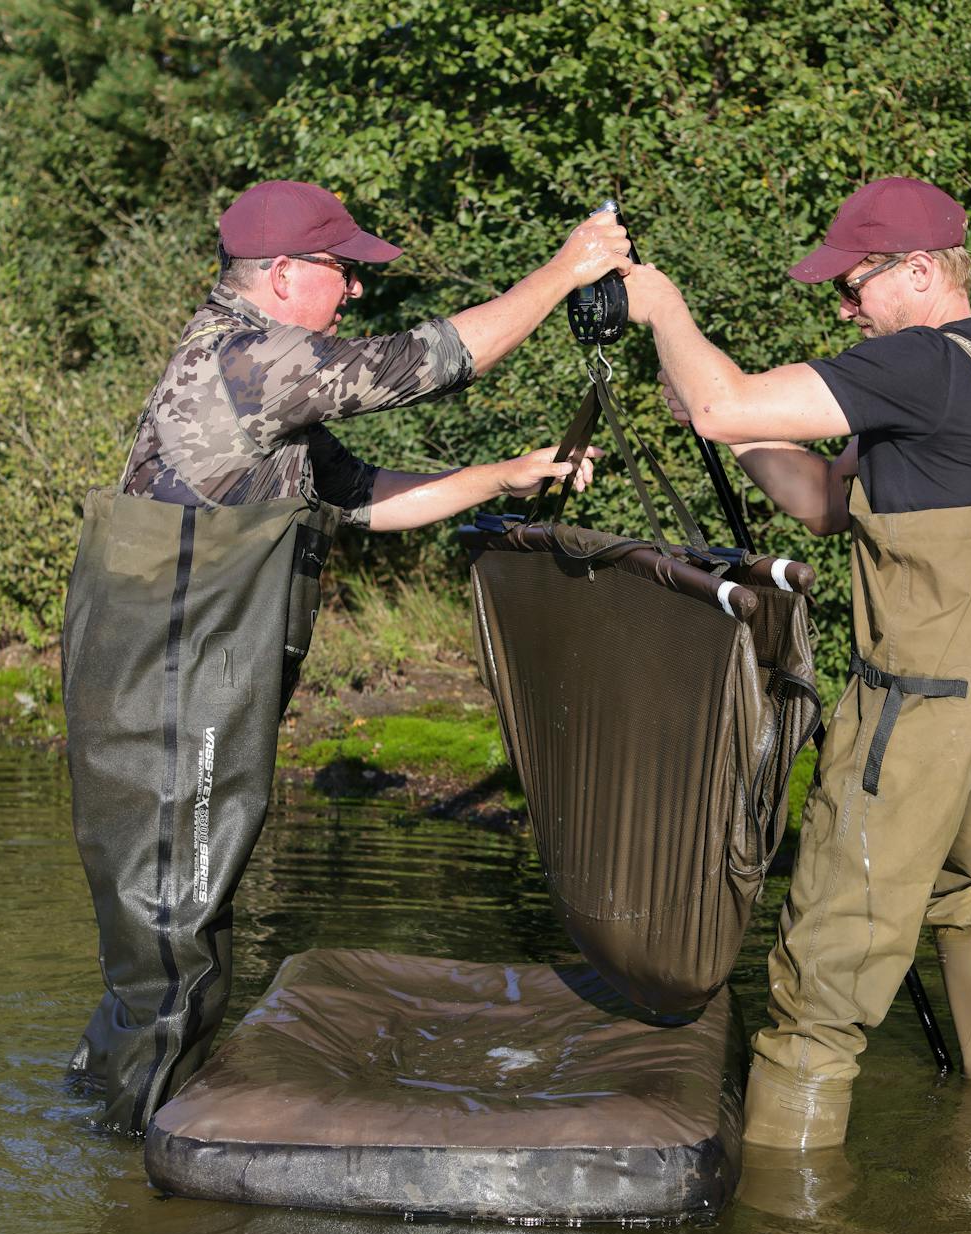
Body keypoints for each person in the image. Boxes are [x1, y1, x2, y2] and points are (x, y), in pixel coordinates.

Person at [64, 179, 631, 1133]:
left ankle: (97, 1120)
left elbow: (359, 495)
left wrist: (501, 476)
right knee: (175, 943)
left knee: (174, 934)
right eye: (343, 270)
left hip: (183, 684)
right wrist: (566, 270)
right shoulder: (248, 360)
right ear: (283, 275)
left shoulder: (258, 382)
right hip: (166, 695)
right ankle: (131, 1168)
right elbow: (431, 362)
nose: (357, 289)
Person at [624, 176, 971, 1148]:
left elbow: (724, 401)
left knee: (819, 986)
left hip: (920, 709)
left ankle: (784, 1228)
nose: (843, 307)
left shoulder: (918, 361)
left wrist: (665, 310)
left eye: (853, 286)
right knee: (960, 891)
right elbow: (822, 501)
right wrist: (725, 426)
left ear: (920, 272)